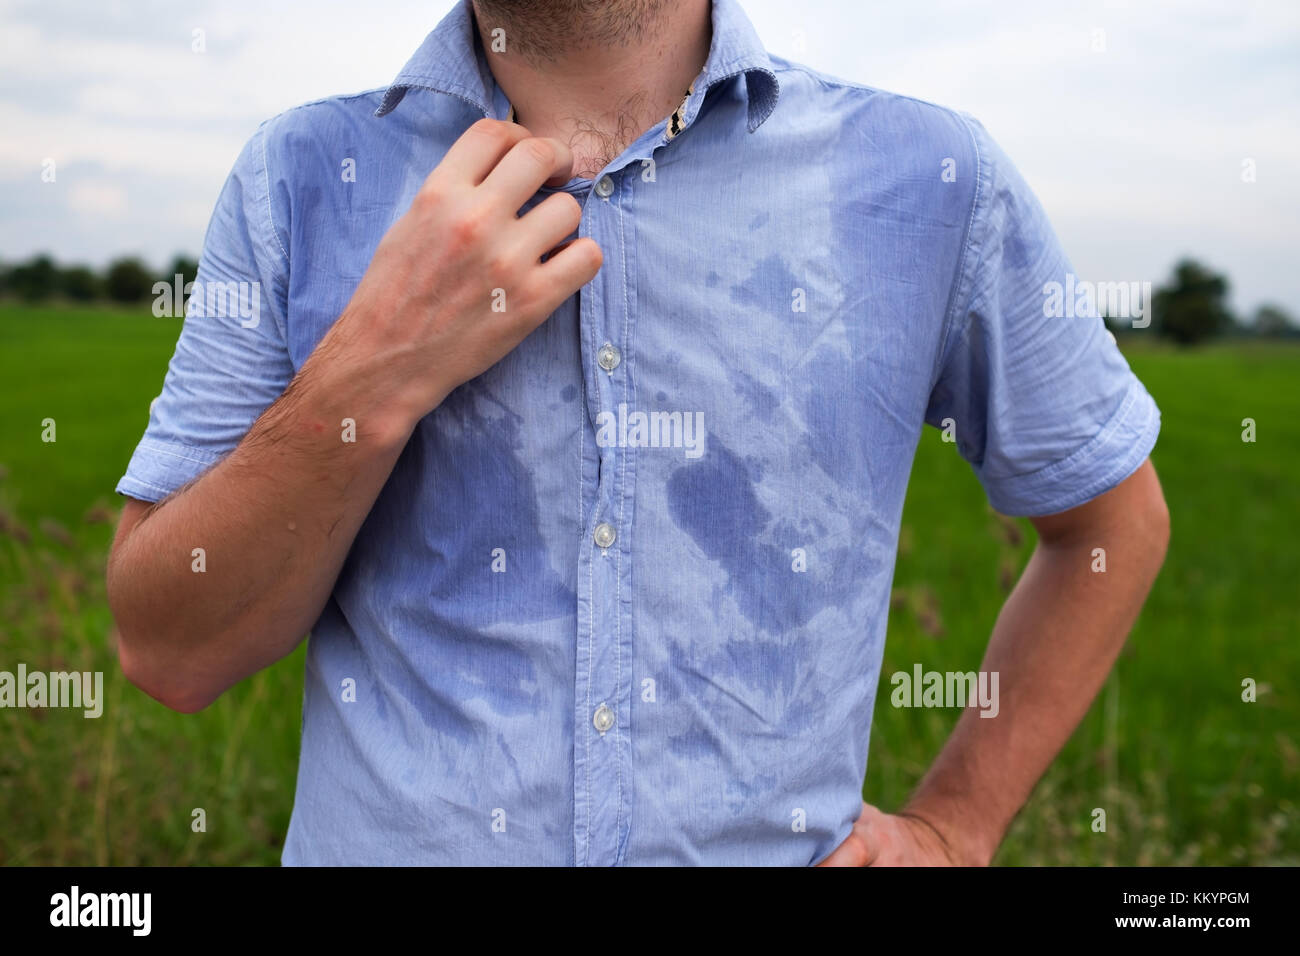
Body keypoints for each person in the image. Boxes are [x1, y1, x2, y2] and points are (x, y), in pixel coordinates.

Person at [106, 0, 1169, 866]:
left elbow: (1111, 522)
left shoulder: (930, 178)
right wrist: (376, 364)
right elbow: (170, 647)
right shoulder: (299, 174)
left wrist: (954, 825)